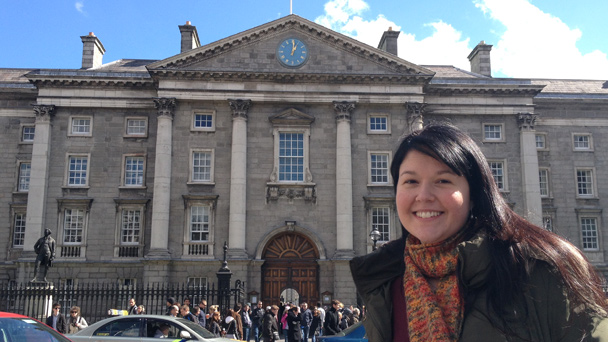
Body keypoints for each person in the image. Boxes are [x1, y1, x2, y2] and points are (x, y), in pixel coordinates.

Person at [350, 123, 608, 342]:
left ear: (473, 194)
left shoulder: (541, 269)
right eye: (410, 181)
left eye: (443, 180)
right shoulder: (386, 283)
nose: (423, 196)